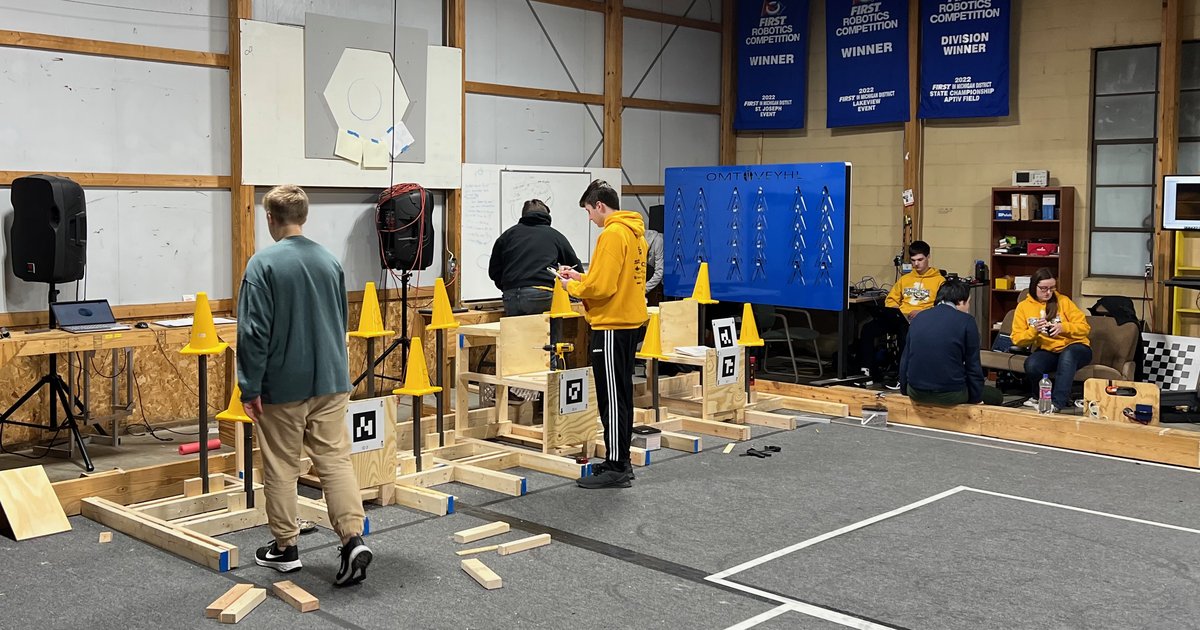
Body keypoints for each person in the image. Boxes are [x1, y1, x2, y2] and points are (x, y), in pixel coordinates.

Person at [237, 184, 372, 586]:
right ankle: (351, 537)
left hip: (283, 383)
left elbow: (253, 332)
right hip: (331, 378)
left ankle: (285, 546)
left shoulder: (262, 265)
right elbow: (340, 320)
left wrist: (249, 386)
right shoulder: (329, 261)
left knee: (281, 466)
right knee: (334, 460)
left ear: (270, 218)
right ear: (305, 216)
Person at [558, 180, 648, 489]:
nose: (589, 218)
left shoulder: (611, 234)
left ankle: (618, 465)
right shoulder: (634, 232)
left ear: (600, 206)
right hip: (627, 322)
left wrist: (574, 287)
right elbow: (615, 279)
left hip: (611, 325)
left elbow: (603, 287)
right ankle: (618, 459)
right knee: (621, 394)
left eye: (588, 211)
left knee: (611, 397)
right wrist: (582, 276)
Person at [899, 280, 1003, 405]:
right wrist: (976, 399)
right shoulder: (967, 321)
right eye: (968, 302)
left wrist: (905, 390)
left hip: (916, 391)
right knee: (995, 395)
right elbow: (973, 365)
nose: (968, 307)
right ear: (960, 301)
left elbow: (905, 360)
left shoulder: (919, 318)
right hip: (950, 393)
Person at [858, 240, 945, 385]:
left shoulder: (939, 281)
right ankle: (866, 371)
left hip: (922, 319)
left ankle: (903, 376)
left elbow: (941, 306)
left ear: (928, 257)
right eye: (913, 261)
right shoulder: (905, 279)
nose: (916, 264)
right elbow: (891, 299)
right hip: (900, 316)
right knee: (868, 329)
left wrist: (921, 312)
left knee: (905, 333)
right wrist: (894, 310)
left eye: (920, 260)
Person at [1013, 268, 1092, 413]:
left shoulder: (1063, 301)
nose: (1048, 292)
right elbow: (1017, 339)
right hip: (1050, 351)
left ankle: (1057, 403)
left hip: (1076, 347)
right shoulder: (1023, 307)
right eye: (1043, 289)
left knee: (1068, 356)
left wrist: (1063, 327)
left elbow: (1085, 328)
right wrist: (1034, 331)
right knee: (1032, 364)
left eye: (1051, 288)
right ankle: (1040, 397)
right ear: (1033, 286)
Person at [489, 198, 582, 316]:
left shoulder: (507, 236)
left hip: (511, 298)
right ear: (547, 216)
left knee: (516, 334)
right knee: (548, 333)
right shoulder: (554, 235)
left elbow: (494, 271)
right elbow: (576, 267)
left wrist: (509, 287)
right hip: (541, 294)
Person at [639, 208, 664, 304]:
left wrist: (643, 290)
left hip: (666, 276)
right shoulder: (635, 240)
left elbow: (659, 272)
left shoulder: (658, 241)